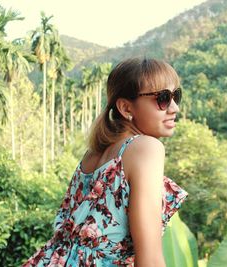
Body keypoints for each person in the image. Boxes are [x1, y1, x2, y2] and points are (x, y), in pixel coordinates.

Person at [22, 58, 188, 267]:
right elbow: (150, 258)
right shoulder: (146, 148)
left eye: (176, 96)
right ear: (126, 108)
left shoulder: (93, 154)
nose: (174, 108)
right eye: (163, 98)